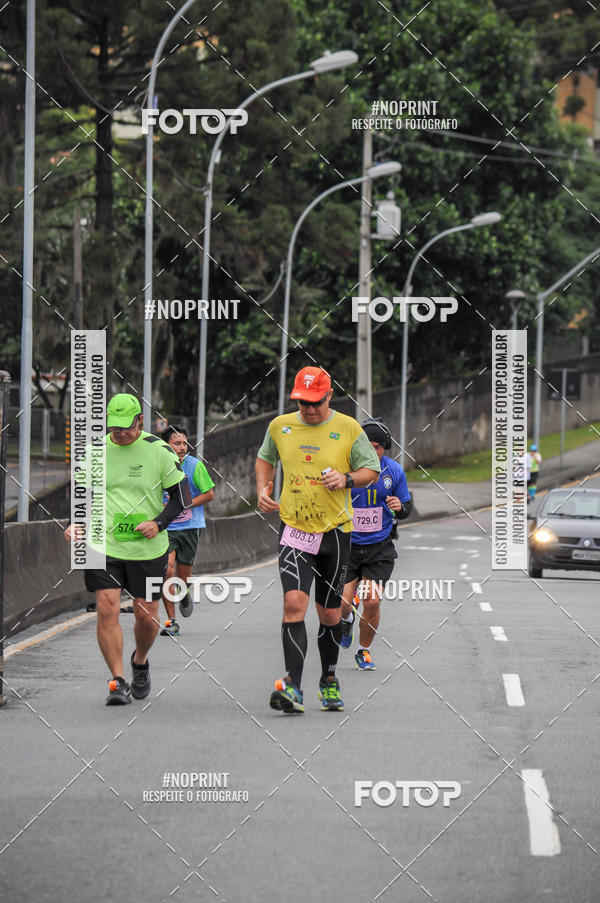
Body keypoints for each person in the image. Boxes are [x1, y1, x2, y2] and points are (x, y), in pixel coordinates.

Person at [255, 366, 380, 714]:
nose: (309, 410)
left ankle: (328, 679)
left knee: (329, 614)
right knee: (293, 604)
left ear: (329, 396)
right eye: (302, 403)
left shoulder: (348, 428)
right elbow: (265, 458)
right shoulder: (280, 426)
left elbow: (371, 470)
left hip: (335, 534)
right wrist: (262, 489)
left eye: (315, 403)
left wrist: (347, 479)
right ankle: (292, 686)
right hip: (294, 530)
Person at [64, 393, 191, 705]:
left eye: (126, 427)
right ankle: (118, 680)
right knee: (106, 606)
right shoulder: (95, 451)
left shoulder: (159, 451)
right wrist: (75, 522)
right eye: (114, 427)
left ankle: (140, 662)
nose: (120, 432)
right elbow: (82, 495)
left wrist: (159, 523)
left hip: (148, 550)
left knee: (146, 617)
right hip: (103, 544)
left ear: (140, 422)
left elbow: (181, 497)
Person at [339, 418, 412, 670]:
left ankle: (364, 650)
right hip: (347, 545)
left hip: (379, 547)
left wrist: (399, 507)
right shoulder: (346, 469)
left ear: (385, 448)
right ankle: (346, 620)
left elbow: (407, 507)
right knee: (341, 605)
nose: (372, 451)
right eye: (367, 445)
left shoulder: (394, 472)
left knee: (371, 601)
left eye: (378, 447)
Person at [159, 425, 215, 637]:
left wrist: (185, 504)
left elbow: (209, 494)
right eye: (177, 443)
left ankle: (184, 594)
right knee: (167, 570)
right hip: (167, 528)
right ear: (166, 446)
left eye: (184, 443)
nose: (183, 447)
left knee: (183, 577)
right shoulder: (158, 466)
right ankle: (171, 621)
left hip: (190, 527)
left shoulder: (194, 465)